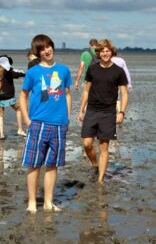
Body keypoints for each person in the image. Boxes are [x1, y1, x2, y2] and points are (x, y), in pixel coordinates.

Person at [20, 34, 72, 213]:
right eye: (42, 49)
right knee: (34, 164)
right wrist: (27, 119)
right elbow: (23, 95)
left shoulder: (64, 70)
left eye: (48, 46)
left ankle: (49, 202)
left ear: (52, 47)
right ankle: (32, 202)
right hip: (38, 124)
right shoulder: (33, 72)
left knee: (52, 165)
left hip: (59, 124)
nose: (46, 50)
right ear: (37, 52)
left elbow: (67, 93)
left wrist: (67, 117)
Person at [77, 39, 128, 185]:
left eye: (107, 51)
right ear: (98, 53)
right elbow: (86, 91)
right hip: (92, 110)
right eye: (102, 51)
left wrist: (121, 112)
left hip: (108, 112)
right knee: (87, 144)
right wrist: (81, 110)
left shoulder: (118, 71)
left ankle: (100, 179)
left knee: (104, 147)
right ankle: (94, 164)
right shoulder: (93, 69)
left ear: (112, 52)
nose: (105, 53)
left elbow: (124, 94)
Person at [0, 55, 26, 140]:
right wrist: (27, 74)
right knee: (18, 109)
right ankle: (20, 129)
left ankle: (1, 134)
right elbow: (19, 73)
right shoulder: (9, 71)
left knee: (0, 116)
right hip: (8, 96)